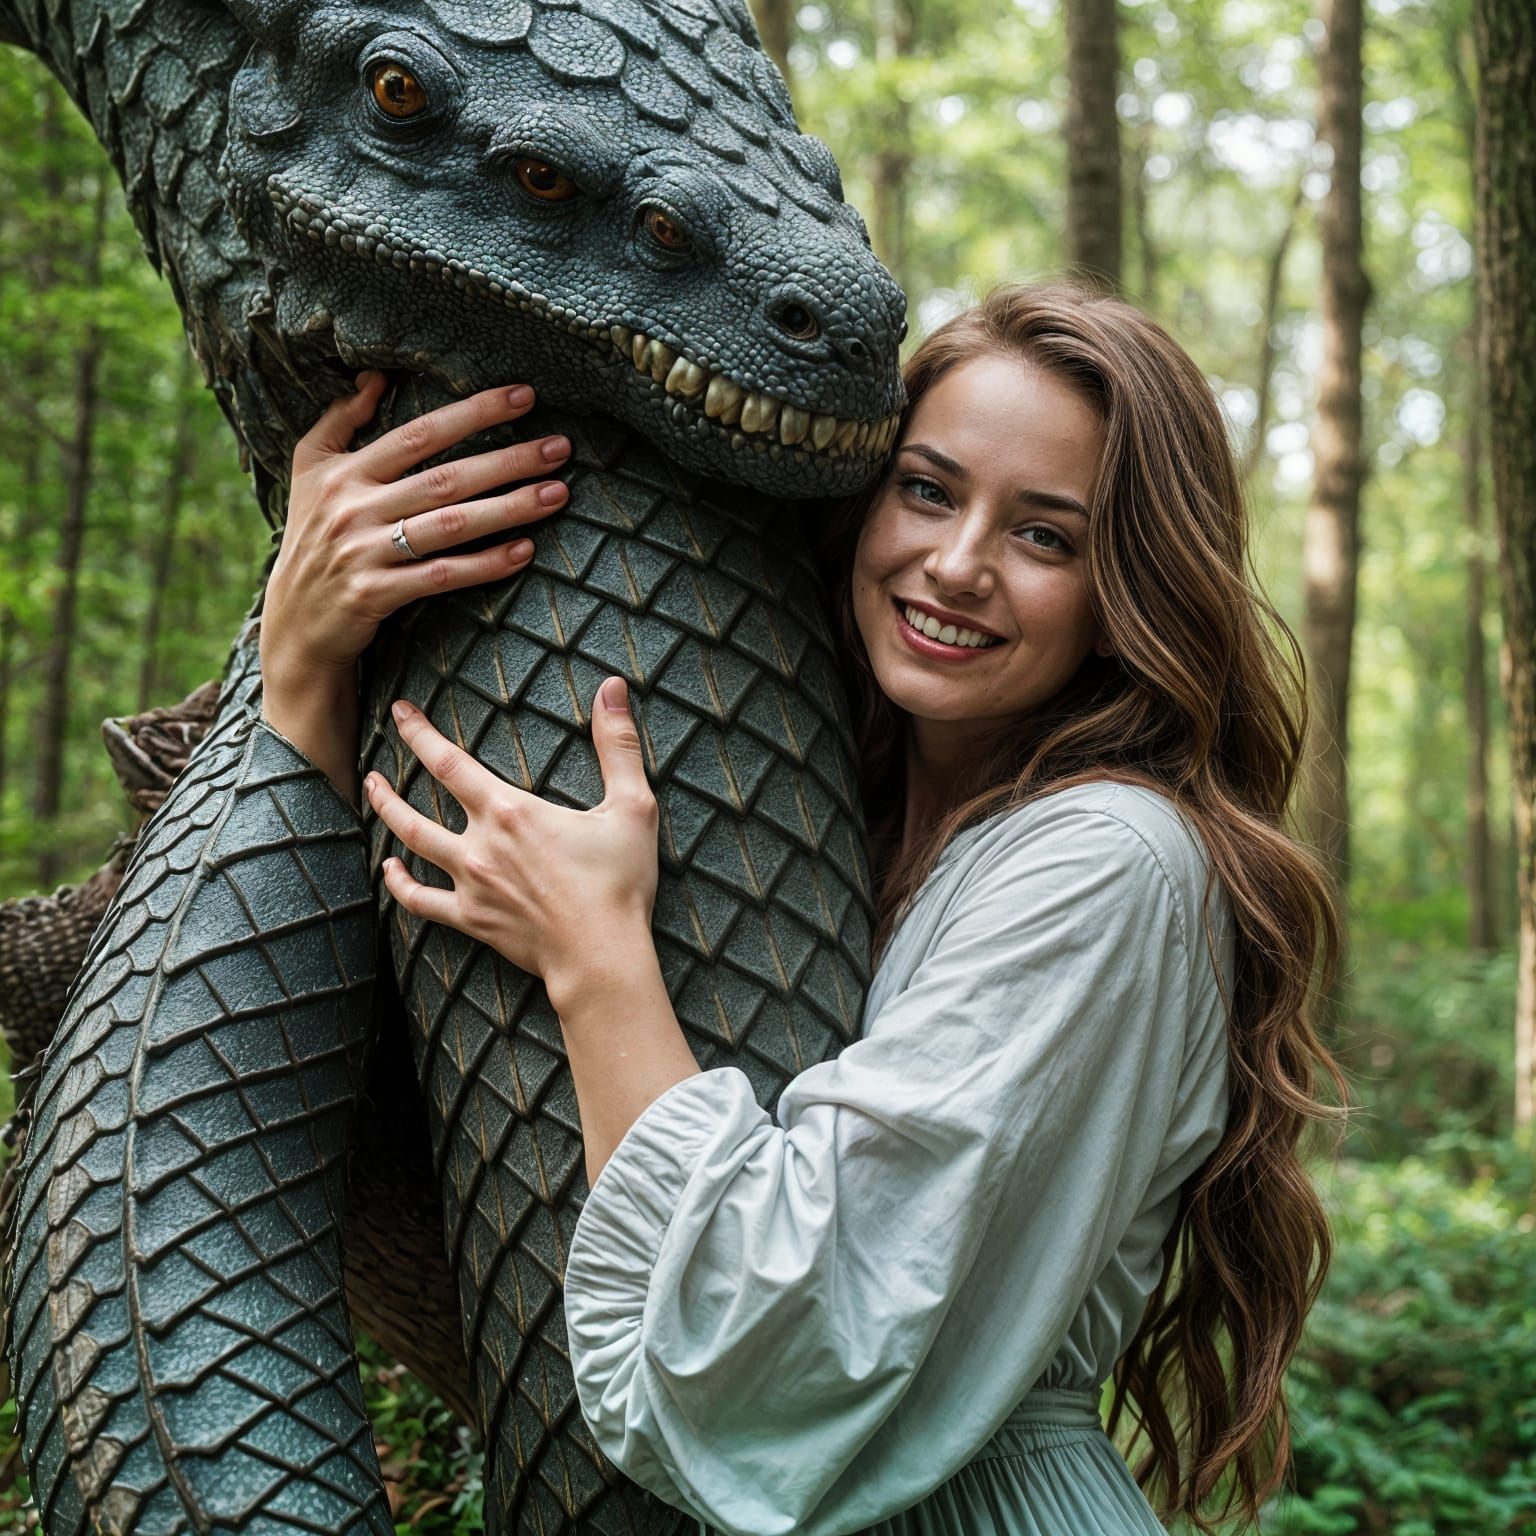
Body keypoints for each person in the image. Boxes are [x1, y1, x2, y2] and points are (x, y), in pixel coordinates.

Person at [260, 283, 1344, 1535]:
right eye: (928, 490)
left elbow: (782, 1348)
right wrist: (305, 655)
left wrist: (598, 954)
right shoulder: (841, 803)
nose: (956, 563)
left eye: (1046, 537)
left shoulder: (1108, 863)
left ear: (1129, 593)